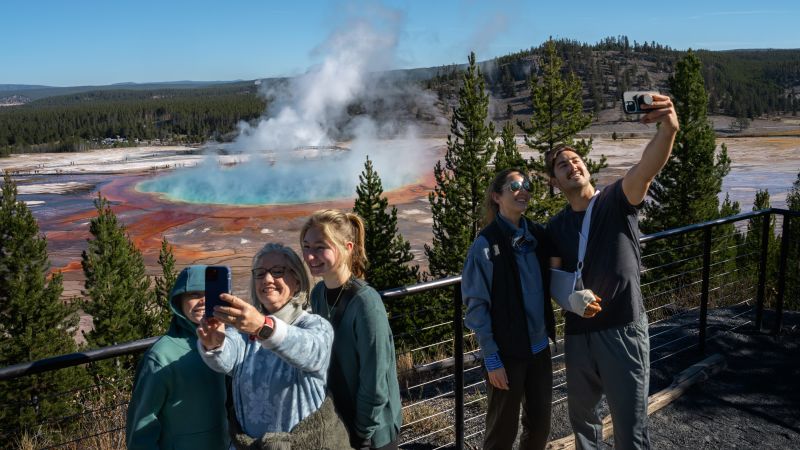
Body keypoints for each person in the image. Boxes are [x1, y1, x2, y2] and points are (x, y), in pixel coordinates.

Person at [545, 93, 679, 450]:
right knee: (583, 424)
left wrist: (668, 129)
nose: (572, 165)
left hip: (622, 329)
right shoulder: (555, 227)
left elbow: (646, 168)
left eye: (575, 160)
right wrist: (569, 300)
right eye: (562, 165)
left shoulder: (616, 201)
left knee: (629, 426)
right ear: (554, 182)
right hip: (578, 336)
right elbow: (553, 279)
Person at [461, 169, 601, 450]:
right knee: (502, 432)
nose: (523, 190)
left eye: (526, 185)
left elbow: (559, 276)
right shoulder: (486, 244)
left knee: (539, 428)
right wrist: (491, 358)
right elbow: (477, 306)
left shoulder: (537, 235)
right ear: (496, 197)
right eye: (514, 185)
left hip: (539, 350)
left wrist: (577, 298)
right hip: (506, 352)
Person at [196, 243, 350, 449]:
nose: (267, 279)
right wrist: (214, 344)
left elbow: (312, 352)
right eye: (260, 273)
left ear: (297, 280)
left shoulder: (314, 325)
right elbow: (226, 360)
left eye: (277, 271)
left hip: (305, 444)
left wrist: (263, 327)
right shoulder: (244, 331)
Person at [300, 209, 402, 450]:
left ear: (347, 248)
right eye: (306, 247)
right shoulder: (318, 295)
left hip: (372, 433)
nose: (310, 256)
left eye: (320, 247)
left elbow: (375, 379)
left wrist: (362, 433)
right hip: (339, 423)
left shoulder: (366, 302)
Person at [126, 265, 229, 450]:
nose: (203, 301)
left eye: (209, 294)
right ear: (179, 301)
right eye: (194, 294)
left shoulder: (229, 344)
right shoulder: (161, 356)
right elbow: (140, 430)